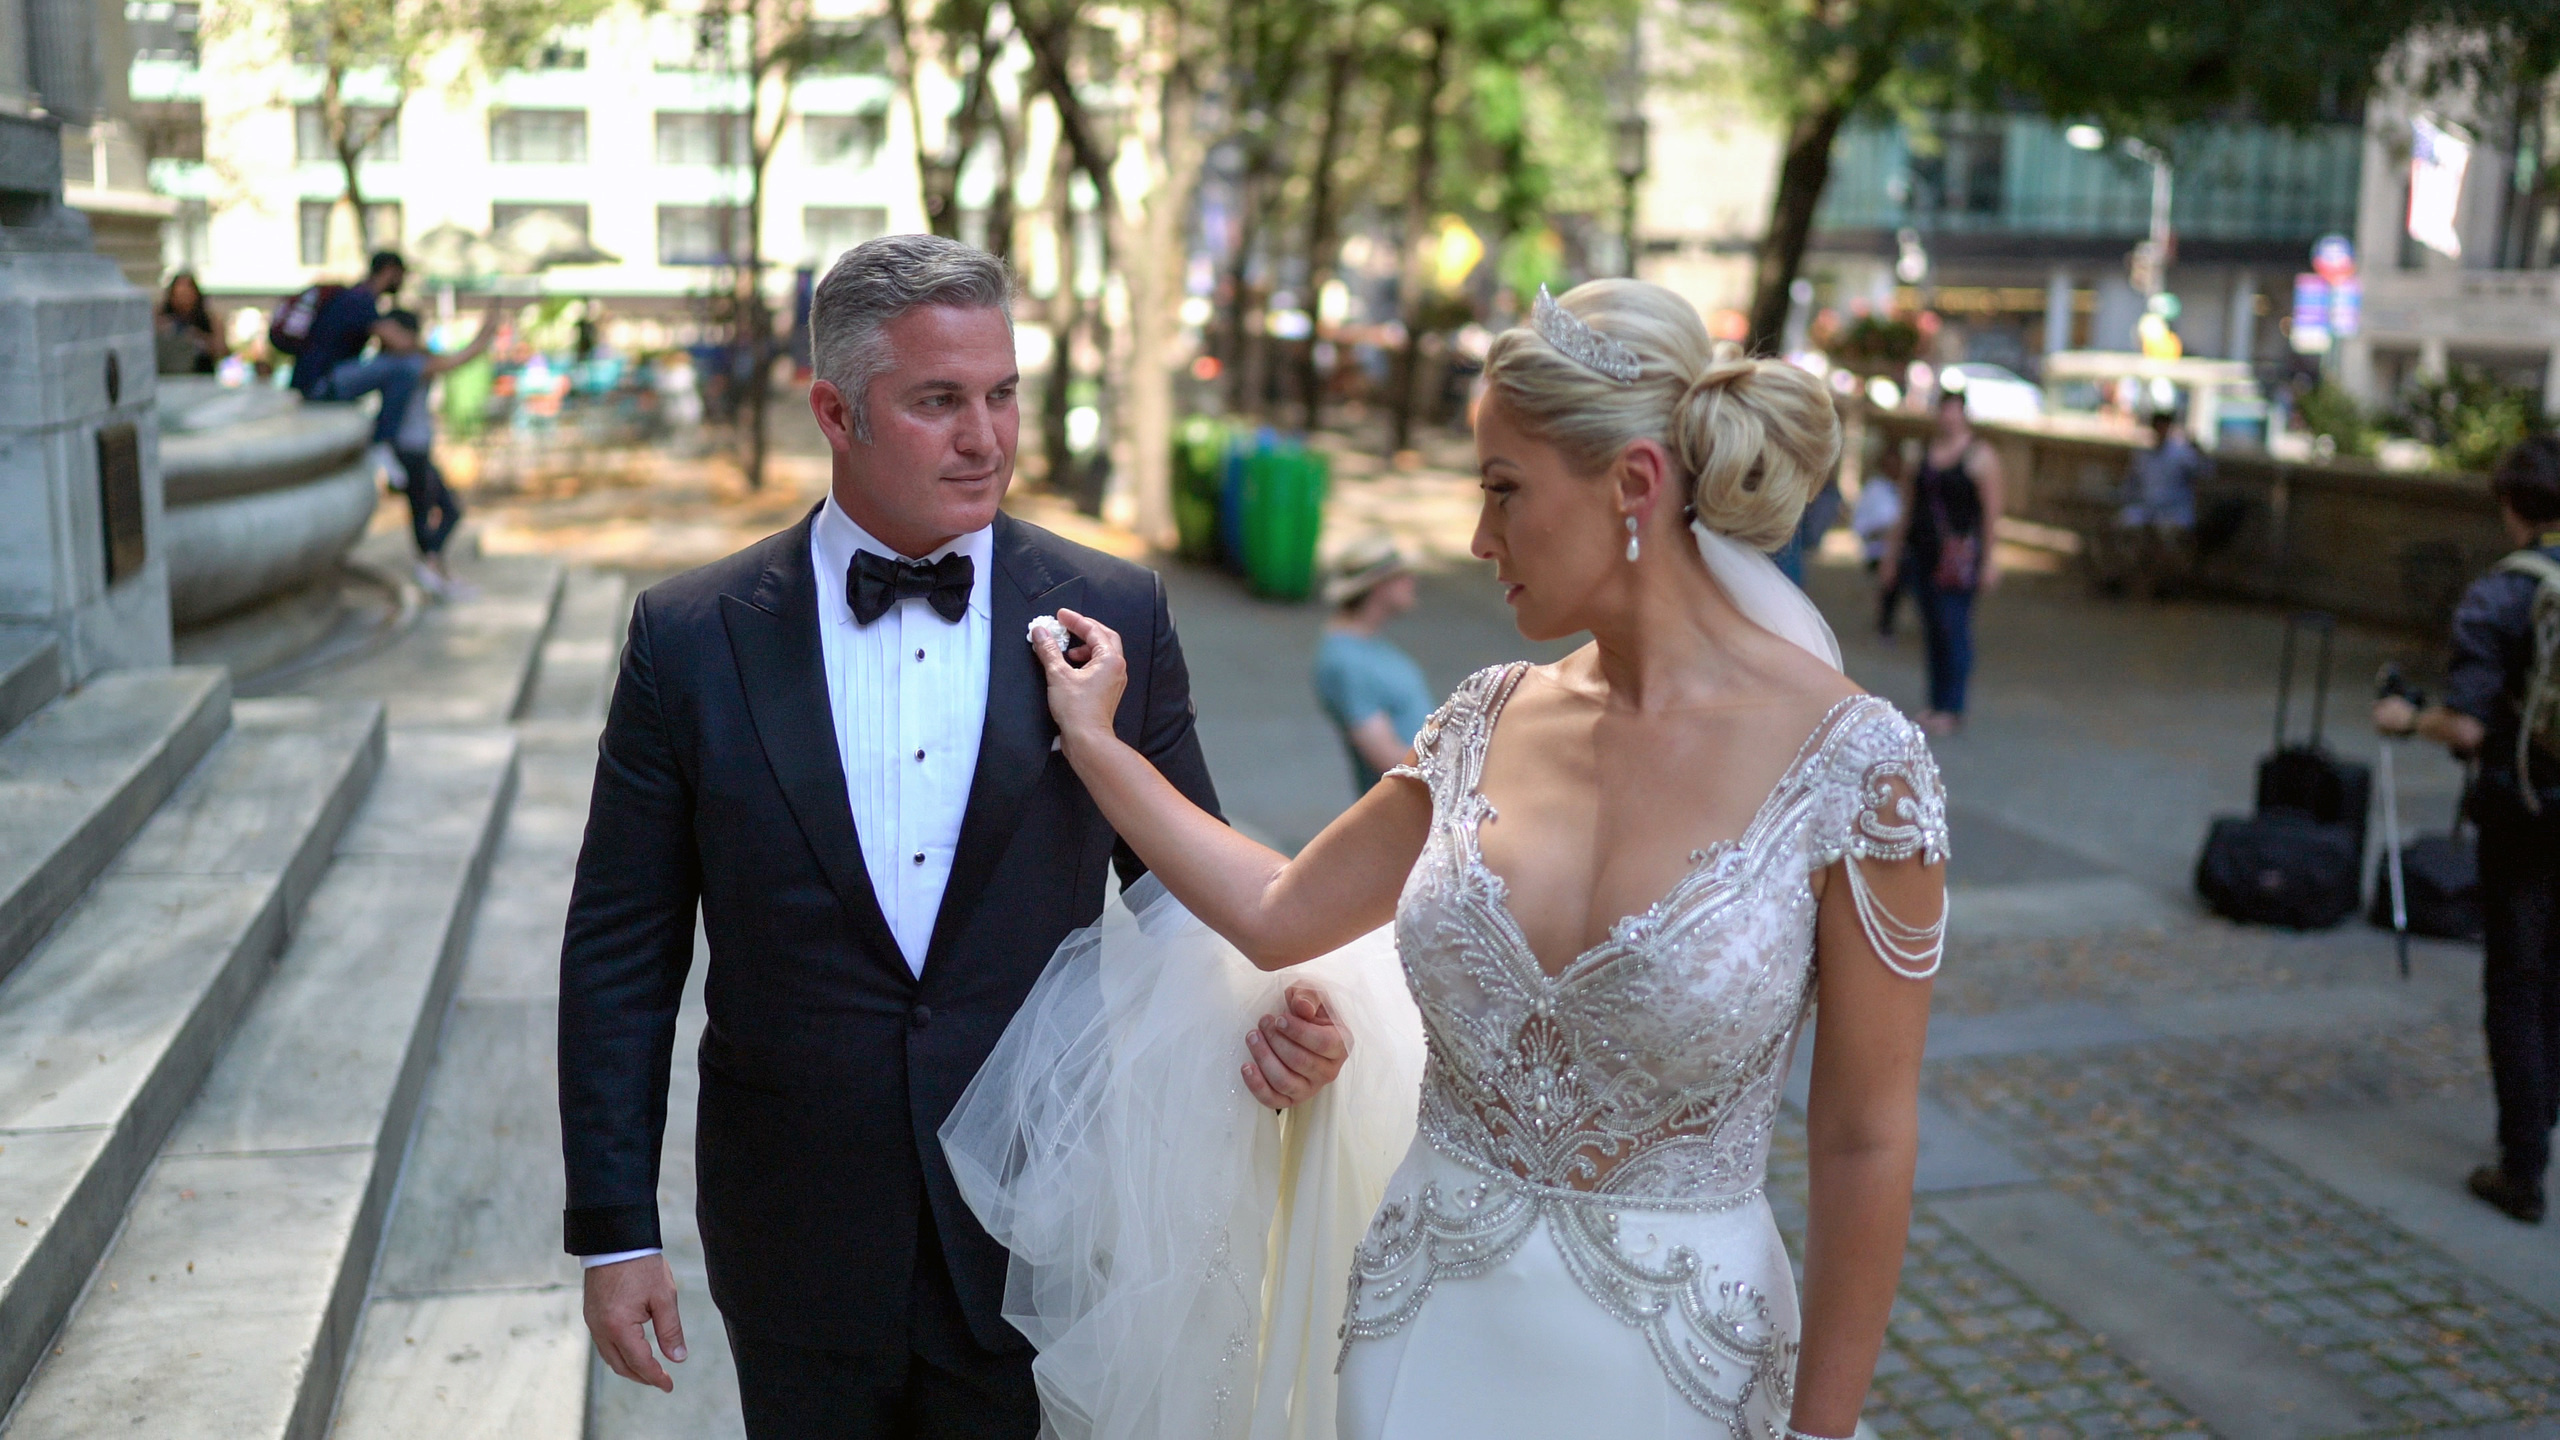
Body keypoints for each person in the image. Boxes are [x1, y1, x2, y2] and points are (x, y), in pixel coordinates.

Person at [976, 280, 1947, 1439]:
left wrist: (1822, 1432)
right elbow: (1280, 912)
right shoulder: (1481, 720)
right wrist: (1095, 742)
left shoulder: (1858, 769)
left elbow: (1864, 1137)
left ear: (1633, 484)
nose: (1478, 541)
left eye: (1502, 491)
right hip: (1420, 1336)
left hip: (1685, 1366)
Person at [557, 234, 1349, 1440]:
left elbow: (1187, 890)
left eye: (1002, 394)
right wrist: (616, 1229)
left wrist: (1280, 1010)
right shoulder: (690, 637)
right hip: (795, 1223)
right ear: (835, 411)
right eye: (938, 402)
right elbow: (621, 948)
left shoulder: (1112, 615)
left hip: (1040, 1218)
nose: (987, 437)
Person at [2375, 434, 2560, 1225]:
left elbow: (2469, 729)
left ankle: (2522, 1167)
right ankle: (2541, 1114)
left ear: (2509, 503)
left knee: (2515, 981)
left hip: (2526, 813)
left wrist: (2408, 717)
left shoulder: (2502, 593)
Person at [1880, 387, 2003, 735]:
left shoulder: (1981, 456)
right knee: (1932, 628)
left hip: (1960, 558)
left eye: (1954, 410)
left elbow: (1992, 514)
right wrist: (1892, 555)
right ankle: (1936, 702)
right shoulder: (1922, 455)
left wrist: (1990, 561)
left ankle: (1953, 705)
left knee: (1955, 628)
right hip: (1922, 553)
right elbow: (1905, 508)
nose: (1948, 416)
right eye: (1943, 409)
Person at [377, 294, 504, 597]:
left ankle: (433, 565)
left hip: (412, 448)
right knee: (432, 509)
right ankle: (430, 565)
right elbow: (461, 358)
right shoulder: (408, 366)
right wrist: (486, 332)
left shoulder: (401, 363)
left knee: (437, 508)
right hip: (409, 449)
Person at [1314, 537, 1438, 794]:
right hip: (1409, 819)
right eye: (1402, 576)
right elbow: (1388, 760)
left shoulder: (1370, 646)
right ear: (1378, 586)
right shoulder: (1346, 662)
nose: (1411, 582)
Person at [290, 250, 423, 459]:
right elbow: (399, 344)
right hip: (320, 384)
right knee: (407, 367)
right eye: (401, 274)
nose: (402, 281)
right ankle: (382, 443)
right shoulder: (360, 299)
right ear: (389, 271)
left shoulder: (355, 296)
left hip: (318, 381)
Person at [2101, 407, 2207, 598]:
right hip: (2146, 510)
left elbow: (2203, 472)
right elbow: (2130, 485)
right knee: (2122, 530)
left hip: (2174, 513)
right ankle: (2121, 580)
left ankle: (2165, 586)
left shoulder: (2181, 454)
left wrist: (2198, 452)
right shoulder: (2143, 456)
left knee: (2168, 541)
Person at [1849, 464, 1905, 638]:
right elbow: (1862, 521)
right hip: (1878, 549)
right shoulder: (1874, 489)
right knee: (1888, 586)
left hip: (1899, 549)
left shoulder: (1904, 488)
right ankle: (1884, 623)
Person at [154, 271, 223, 375]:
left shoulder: (209, 319)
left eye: (187, 295)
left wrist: (198, 338)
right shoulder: (161, 318)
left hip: (201, 375)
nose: (183, 300)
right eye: (179, 295)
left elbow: (221, 350)